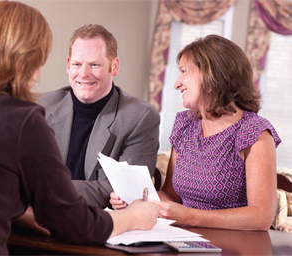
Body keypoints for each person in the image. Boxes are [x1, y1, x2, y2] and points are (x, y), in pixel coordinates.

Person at [0, 1, 158, 255]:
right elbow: (75, 224)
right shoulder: (23, 119)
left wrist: (23, 209)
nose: (42, 68)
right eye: (42, 56)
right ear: (27, 58)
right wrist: (133, 217)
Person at [110, 34, 281, 231]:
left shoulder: (254, 132)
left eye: (184, 72)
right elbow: (171, 195)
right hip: (184, 238)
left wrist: (191, 216)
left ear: (213, 75)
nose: (177, 83)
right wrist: (139, 203)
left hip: (234, 246)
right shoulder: (185, 125)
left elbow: (261, 217)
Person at [38, 24, 160, 209]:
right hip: (41, 217)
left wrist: (45, 189)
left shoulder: (139, 117)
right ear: (68, 65)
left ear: (115, 66)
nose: (84, 74)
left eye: (94, 65)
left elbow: (125, 192)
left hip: (102, 224)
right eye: (77, 64)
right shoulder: (42, 107)